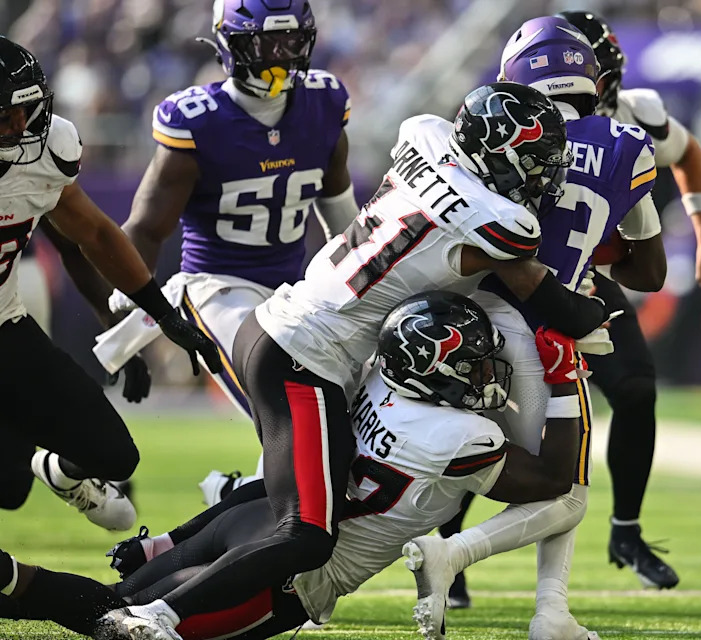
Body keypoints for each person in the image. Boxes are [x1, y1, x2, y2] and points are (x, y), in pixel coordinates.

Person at [97, 81, 615, 637]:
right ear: (502, 152)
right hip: (310, 354)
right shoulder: (497, 221)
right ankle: (158, 613)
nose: (542, 176)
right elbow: (557, 304)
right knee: (305, 530)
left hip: (284, 321)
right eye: (535, 161)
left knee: (307, 481)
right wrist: (599, 312)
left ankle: (156, 558)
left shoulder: (426, 137)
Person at [0, 292, 586, 640]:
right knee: (118, 621)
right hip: (287, 579)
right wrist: (563, 382)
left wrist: (174, 538)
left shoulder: (374, 380)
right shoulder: (463, 435)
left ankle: (9, 579)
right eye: (477, 366)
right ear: (435, 370)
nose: (487, 377)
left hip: (254, 515)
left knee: (108, 606)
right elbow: (556, 480)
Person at [426, 17, 662, 637]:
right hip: (551, 338)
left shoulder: (494, 128)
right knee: (568, 489)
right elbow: (651, 270)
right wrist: (578, 257)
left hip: (463, 326)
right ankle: (529, 597)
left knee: (431, 460)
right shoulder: (626, 143)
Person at [86, 0, 360, 505]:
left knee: (337, 413)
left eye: (291, 43)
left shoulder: (323, 102)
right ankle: (239, 517)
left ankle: (238, 497)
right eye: (264, 45)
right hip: (215, 290)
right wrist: (126, 311)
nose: (279, 59)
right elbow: (146, 229)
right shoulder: (199, 121)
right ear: (230, 45)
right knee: (291, 405)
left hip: (288, 292)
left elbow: (343, 215)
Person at [0, 34, 220, 568]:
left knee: (112, 454)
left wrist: (158, 316)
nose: (15, 129)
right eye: (2, 117)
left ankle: (52, 467)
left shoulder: (48, 149)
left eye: (21, 113)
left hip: (5, 327)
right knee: (5, 487)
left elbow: (92, 235)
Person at [554, 9, 701, 588]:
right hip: (522, 275)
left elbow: (688, 153)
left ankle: (626, 530)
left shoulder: (636, 116)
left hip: (593, 273)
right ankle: (448, 547)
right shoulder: (526, 120)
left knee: (634, 387)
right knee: (491, 406)